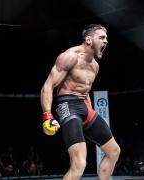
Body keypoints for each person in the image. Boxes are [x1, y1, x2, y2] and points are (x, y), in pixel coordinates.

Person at [40, 24, 120, 180]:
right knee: (79, 163)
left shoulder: (95, 66)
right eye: (102, 37)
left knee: (114, 151)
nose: (106, 41)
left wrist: (89, 112)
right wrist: (47, 116)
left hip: (84, 106)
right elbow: (48, 86)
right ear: (89, 39)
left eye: (107, 38)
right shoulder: (70, 57)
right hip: (67, 104)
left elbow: (86, 91)